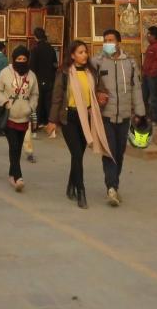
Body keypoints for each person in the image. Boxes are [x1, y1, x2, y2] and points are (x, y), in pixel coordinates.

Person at [46, 40, 112, 209]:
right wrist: (52, 121)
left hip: (86, 118)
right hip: (69, 118)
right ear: (73, 55)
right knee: (76, 154)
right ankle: (81, 191)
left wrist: (101, 97)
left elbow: (100, 90)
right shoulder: (64, 73)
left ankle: (70, 185)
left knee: (78, 156)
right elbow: (57, 98)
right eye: (80, 52)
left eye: (85, 52)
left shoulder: (92, 72)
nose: (84, 55)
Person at [94, 28, 145, 207]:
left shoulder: (130, 62)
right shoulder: (98, 62)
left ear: (118, 42)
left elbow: (136, 88)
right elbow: (89, 83)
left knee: (120, 152)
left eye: (111, 40)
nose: (108, 43)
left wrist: (140, 112)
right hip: (106, 115)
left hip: (124, 115)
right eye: (105, 40)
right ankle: (111, 187)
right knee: (109, 151)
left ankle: (114, 184)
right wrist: (97, 94)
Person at [0, 45, 39, 192]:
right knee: (13, 146)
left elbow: (35, 94)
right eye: (19, 59)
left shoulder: (32, 75)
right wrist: (5, 102)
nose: (21, 61)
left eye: (24, 59)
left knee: (17, 148)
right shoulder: (5, 72)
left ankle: (12, 174)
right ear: (13, 59)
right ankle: (18, 177)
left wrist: (31, 107)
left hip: (24, 117)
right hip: (9, 116)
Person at [29, 27, 57, 128]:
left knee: (38, 102)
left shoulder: (35, 49)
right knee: (48, 102)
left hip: (38, 80)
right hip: (50, 80)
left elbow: (32, 67)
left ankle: (38, 122)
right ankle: (49, 122)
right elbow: (55, 64)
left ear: (35, 37)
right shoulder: (51, 48)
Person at [141, 25, 157, 124]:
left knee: (154, 98)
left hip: (153, 77)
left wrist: (152, 73)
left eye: (148, 34)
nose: (147, 36)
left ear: (153, 35)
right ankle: (146, 116)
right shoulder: (150, 46)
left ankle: (156, 119)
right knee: (144, 96)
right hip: (146, 76)